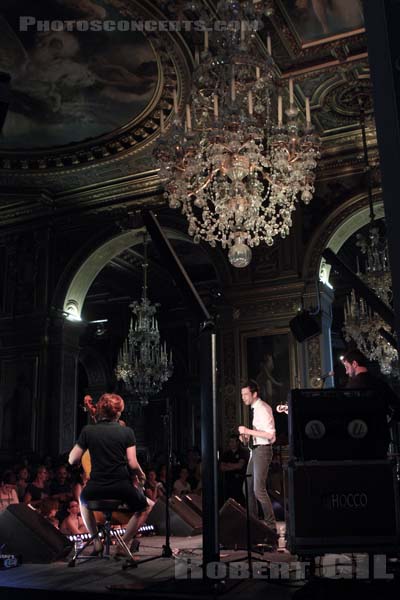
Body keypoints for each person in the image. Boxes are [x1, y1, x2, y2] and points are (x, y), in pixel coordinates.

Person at [68, 393, 153, 557]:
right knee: (147, 506)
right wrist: (142, 475)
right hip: (121, 487)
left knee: (83, 500)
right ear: (119, 412)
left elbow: (72, 460)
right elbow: (132, 463)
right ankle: (123, 543)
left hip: (96, 487)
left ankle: (97, 542)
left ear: (100, 410)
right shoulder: (127, 432)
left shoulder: (88, 431)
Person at [238, 380, 277, 536]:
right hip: (256, 451)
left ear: (254, 394)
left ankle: (271, 525)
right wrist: (247, 437)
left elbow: (269, 435)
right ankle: (253, 523)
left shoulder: (262, 409)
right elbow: (259, 434)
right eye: (242, 395)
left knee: (258, 489)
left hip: (263, 450)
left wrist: (248, 430)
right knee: (247, 487)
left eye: (246, 394)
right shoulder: (256, 409)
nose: (243, 397)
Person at [342, 349, 400, 420]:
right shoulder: (381, 383)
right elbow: (397, 408)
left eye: (347, 367)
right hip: (380, 429)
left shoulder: (351, 386)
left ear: (354, 364)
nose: (346, 372)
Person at [220, 434, 249, 505]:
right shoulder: (226, 454)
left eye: (233, 442)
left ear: (237, 442)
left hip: (239, 481)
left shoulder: (242, 452)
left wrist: (228, 464)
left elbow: (240, 466)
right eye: (230, 442)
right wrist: (234, 466)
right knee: (229, 501)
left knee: (240, 500)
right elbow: (222, 467)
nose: (231, 444)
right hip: (228, 481)